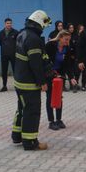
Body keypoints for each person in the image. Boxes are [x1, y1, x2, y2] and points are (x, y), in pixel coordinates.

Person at [11, 10, 52, 151]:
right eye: (44, 25)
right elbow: (36, 64)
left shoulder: (21, 34)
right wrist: (43, 82)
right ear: (39, 23)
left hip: (19, 80)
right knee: (32, 111)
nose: (44, 28)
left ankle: (16, 136)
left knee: (22, 109)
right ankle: (30, 142)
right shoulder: (34, 39)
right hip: (29, 83)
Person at [45, 30, 76, 130]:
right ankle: (51, 121)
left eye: (69, 40)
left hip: (59, 76)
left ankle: (59, 119)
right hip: (49, 74)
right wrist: (52, 72)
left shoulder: (66, 48)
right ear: (60, 38)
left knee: (59, 97)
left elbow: (67, 64)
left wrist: (71, 78)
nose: (68, 42)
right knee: (50, 97)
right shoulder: (50, 45)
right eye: (66, 40)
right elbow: (45, 61)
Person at [0, 18, 18, 92]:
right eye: (7, 23)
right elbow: (0, 43)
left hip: (13, 55)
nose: (9, 24)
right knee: (4, 71)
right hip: (4, 55)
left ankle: (17, 85)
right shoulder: (0, 33)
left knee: (15, 71)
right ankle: (4, 86)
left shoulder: (15, 32)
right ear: (5, 24)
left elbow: (17, 43)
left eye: (10, 23)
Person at [67, 24, 81, 93]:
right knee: (70, 72)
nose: (71, 29)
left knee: (77, 72)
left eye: (72, 27)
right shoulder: (66, 35)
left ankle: (76, 84)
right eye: (70, 28)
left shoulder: (76, 36)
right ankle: (72, 86)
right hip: (68, 57)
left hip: (75, 57)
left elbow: (77, 46)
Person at [77, 24, 86, 91]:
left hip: (85, 57)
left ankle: (83, 85)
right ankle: (75, 85)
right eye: (81, 29)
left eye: (83, 29)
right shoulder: (75, 37)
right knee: (77, 72)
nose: (82, 30)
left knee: (85, 73)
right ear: (78, 30)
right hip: (77, 57)